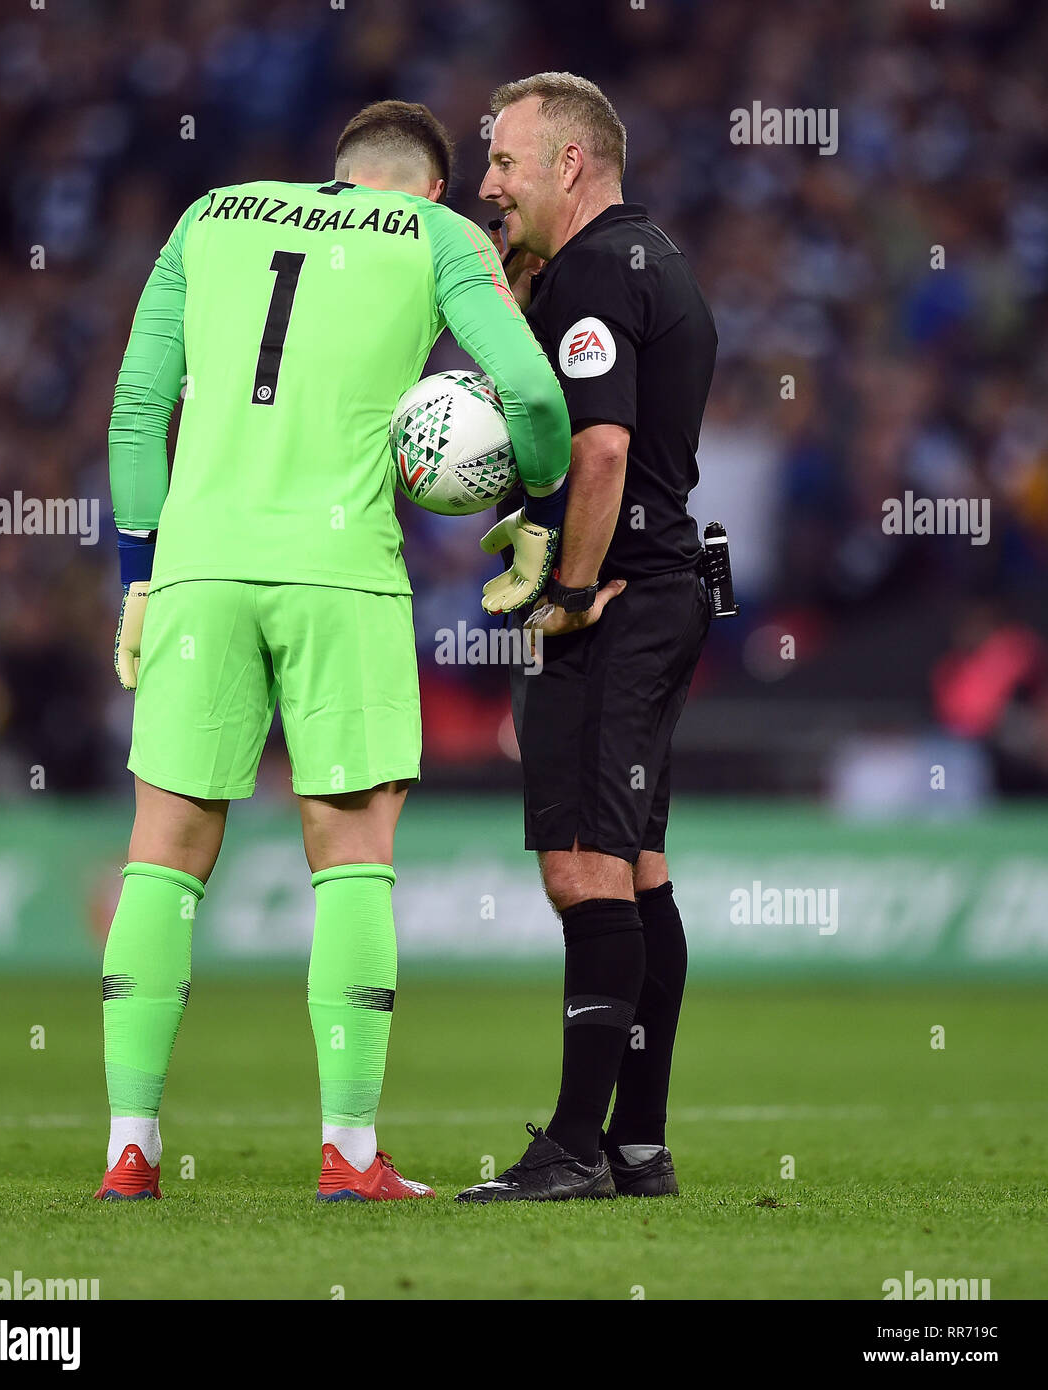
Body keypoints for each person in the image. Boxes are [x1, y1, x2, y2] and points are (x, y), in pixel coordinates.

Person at [97, 100, 570, 1203]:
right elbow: (534, 391)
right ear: (432, 187)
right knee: (351, 856)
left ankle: (131, 1145)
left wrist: (138, 574)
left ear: (340, 166)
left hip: (201, 569)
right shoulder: (440, 239)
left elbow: (135, 407)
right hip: (341, 573)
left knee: (163, 853)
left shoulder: (208, 214)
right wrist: (535, 507)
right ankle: (350, 1152)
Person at [457, 73, 717, 1202]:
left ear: (571, 162)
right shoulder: (650, 255)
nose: (489, 183)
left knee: (584, 867)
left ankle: (571, 1148)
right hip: (669, 589)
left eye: (507, 162)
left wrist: (566, 591)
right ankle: (637, 1146)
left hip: (616, 602)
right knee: (640, 868)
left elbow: (600, 452)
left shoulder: (600, 269)